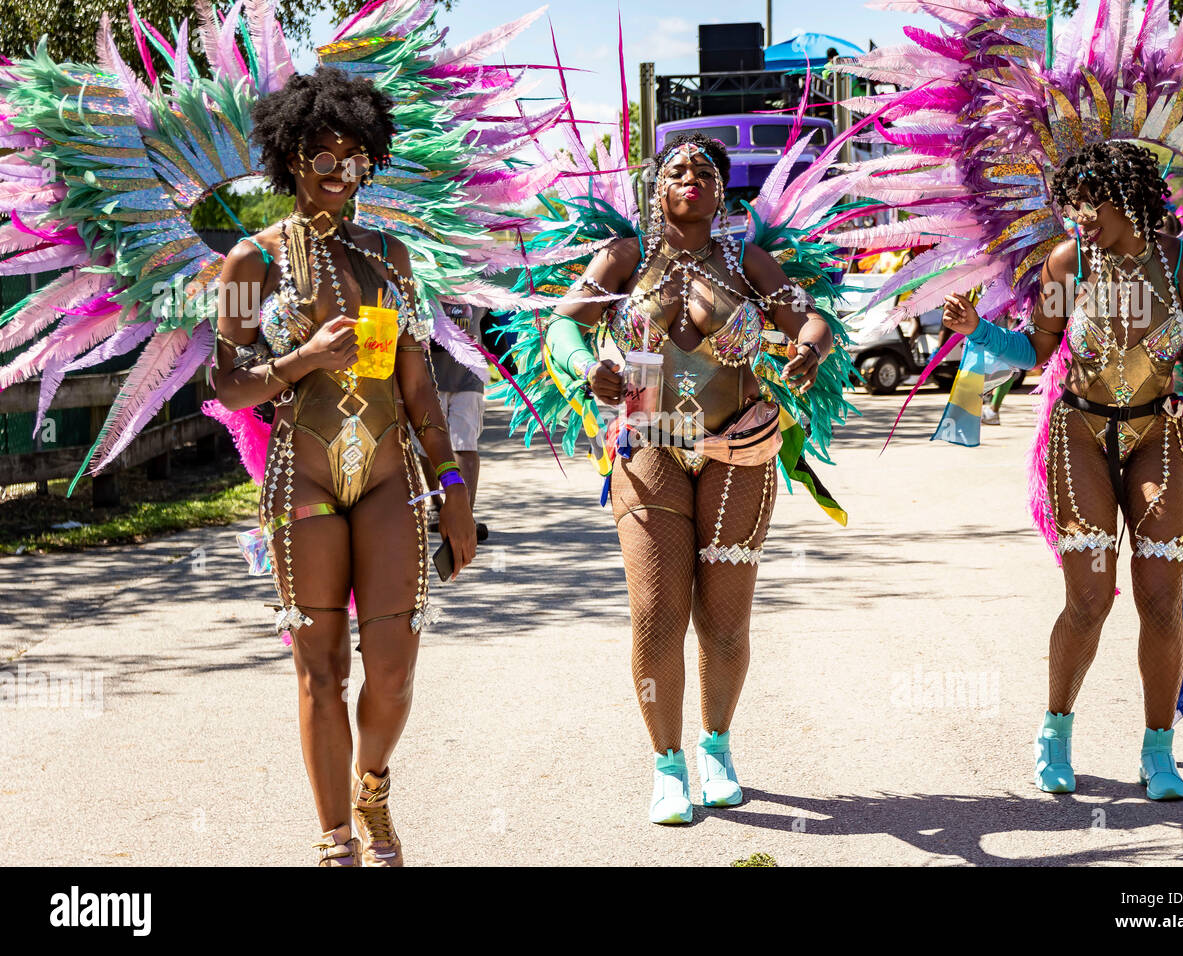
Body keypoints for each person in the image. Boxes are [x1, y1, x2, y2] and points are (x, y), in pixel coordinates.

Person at [516, 133, 842, 824]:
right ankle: (667, 765)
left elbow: (809, 317)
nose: (689, 177)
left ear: (723, 192)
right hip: (650, 446)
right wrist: (585, 369)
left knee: (724, 623)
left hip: (739, 450)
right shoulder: (625, 258)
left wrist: (807, 351)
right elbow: (562, 326)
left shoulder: (746, 261)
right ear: (657, 188)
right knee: (657, 613)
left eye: (703, 171)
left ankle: (716, 747)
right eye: (675, 169)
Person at [214, 68, 478, 865]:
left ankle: (373, 789)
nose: (337, 171)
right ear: (290, 159)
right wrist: (300, 360)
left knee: (393, 672)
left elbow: (418, 381)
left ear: (372, 162)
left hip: (391, 477)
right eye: (320, 155)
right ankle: (335, 838)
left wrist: (455, 487)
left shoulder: (389, 258)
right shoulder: (247, 264)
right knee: (321, 669)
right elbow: (227, 383)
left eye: (353, 156)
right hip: (308, 476)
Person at [942, 141, 1183, 799]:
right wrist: (978, 331)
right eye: (1071, 203)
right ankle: (1056, 731)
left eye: (1088, 201)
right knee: (1089, 600)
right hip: (1080, 433)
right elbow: (1038, 349)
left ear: (1127, 196)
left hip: (1158, 430)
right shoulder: (1069, 261)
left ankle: (1159, 754)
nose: (1077, 215)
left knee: (1160, 599)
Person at [425, 300, 490, 536]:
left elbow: (488, 320)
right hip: (429, 377)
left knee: (465, 444)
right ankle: (435, 504)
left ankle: (465, 515)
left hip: (468, 376)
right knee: (429, 446)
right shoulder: (423, 273)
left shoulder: (479, 276)